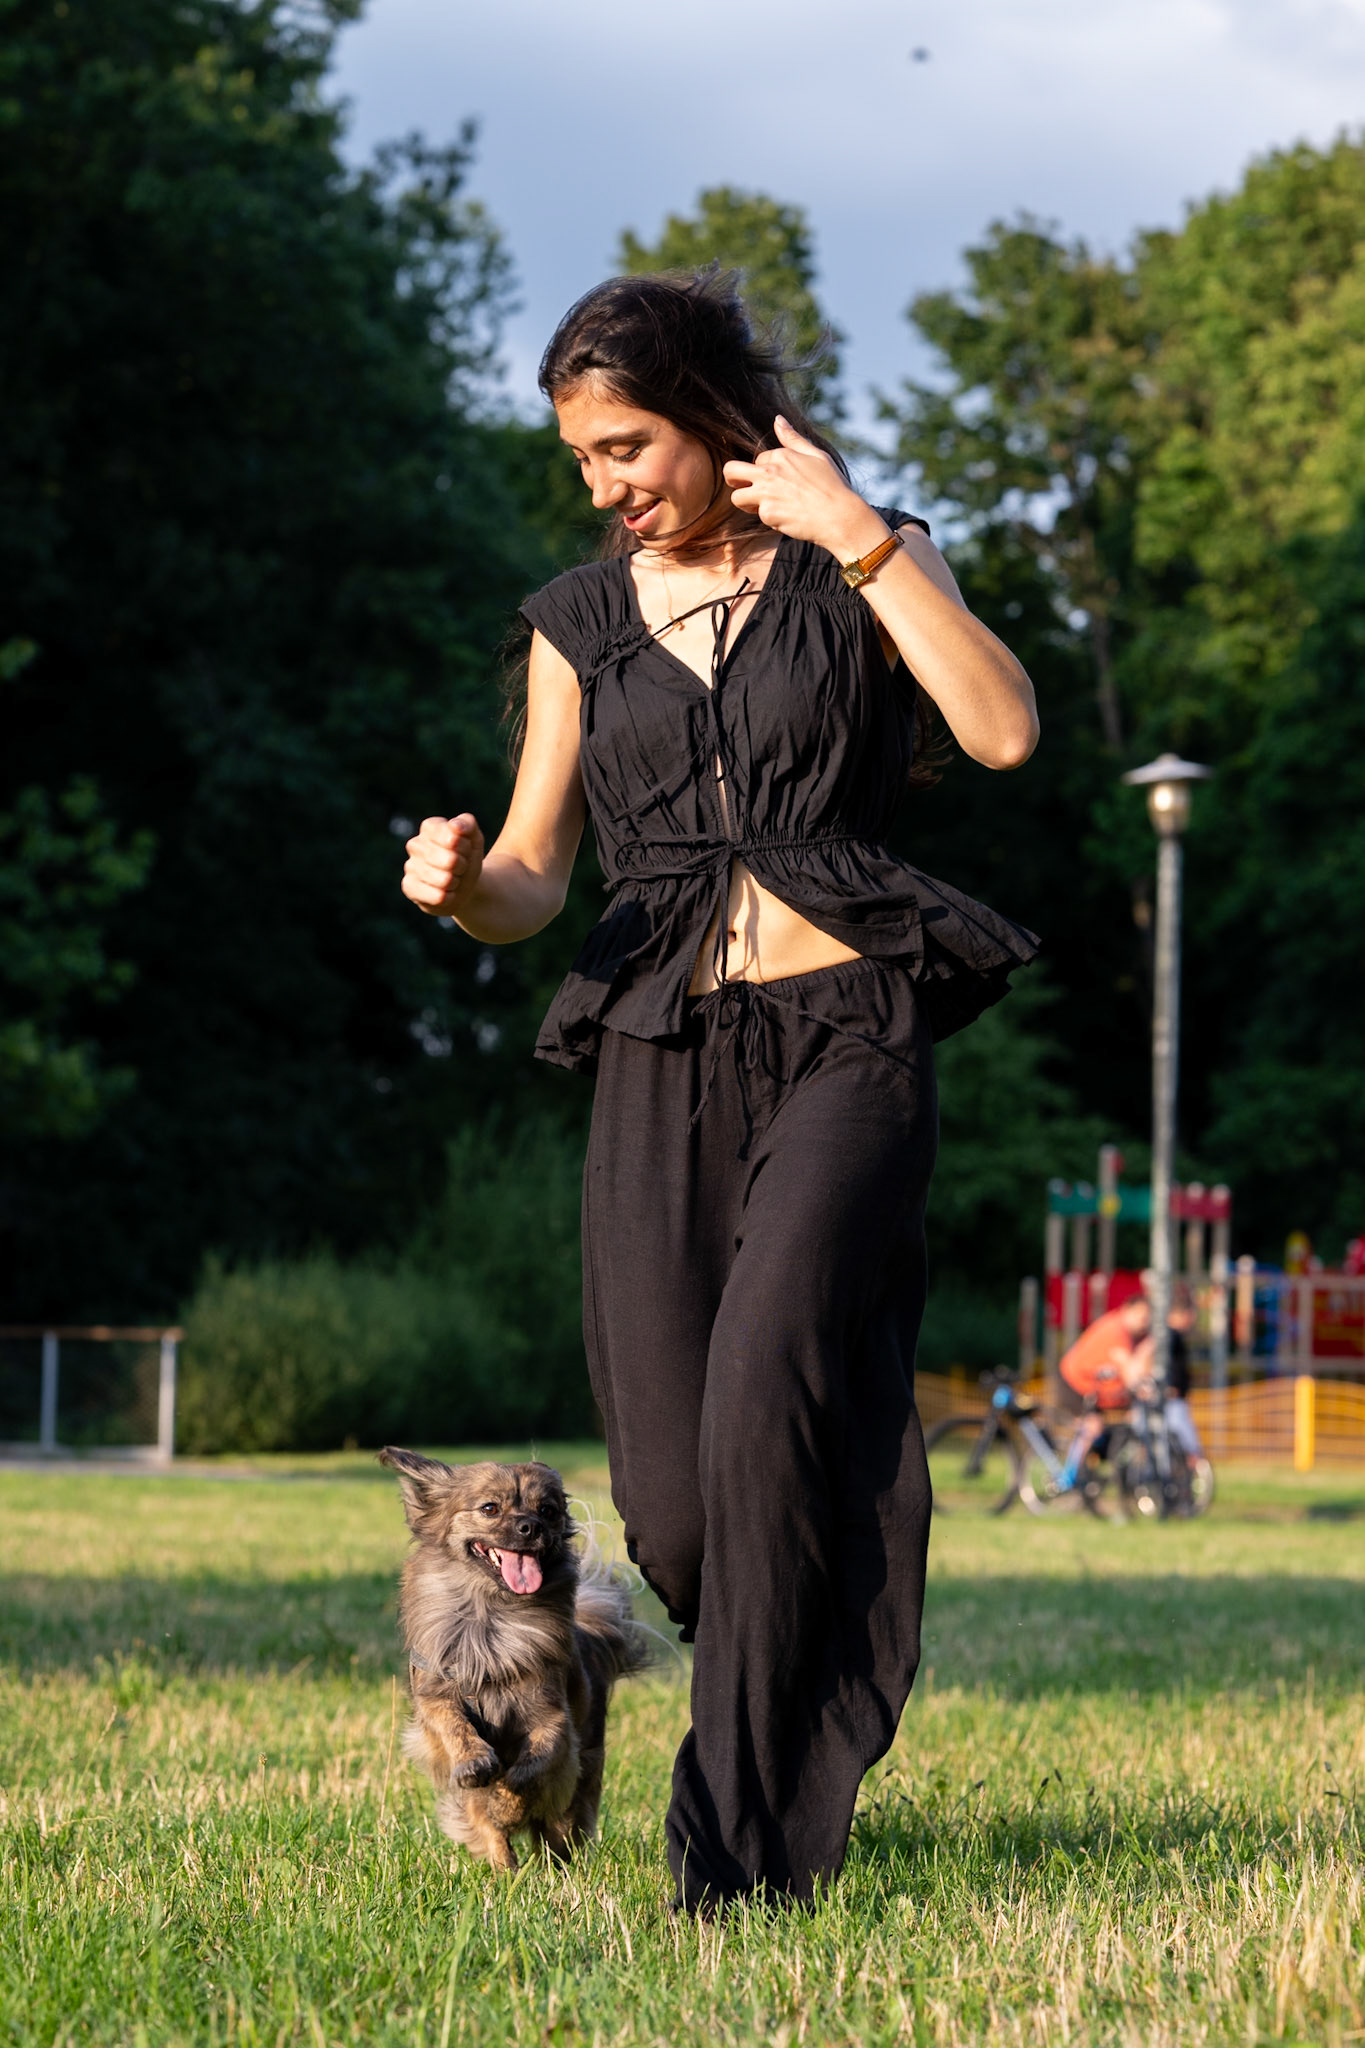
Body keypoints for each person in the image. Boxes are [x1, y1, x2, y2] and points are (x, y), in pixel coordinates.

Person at [400, 270, 1040, 1914]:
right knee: (682, 1516)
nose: (603, 485)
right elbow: (537, 875)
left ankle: (736, 1860)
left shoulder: (857, 552)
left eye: (625, 447)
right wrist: (464, 889)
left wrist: (859, 536)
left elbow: (1000, 731)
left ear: (708, 413)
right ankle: (796, 1667)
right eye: (581, 460)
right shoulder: (579, 620)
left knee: (768, 1391)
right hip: (660, 1054)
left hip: (848, 1036)